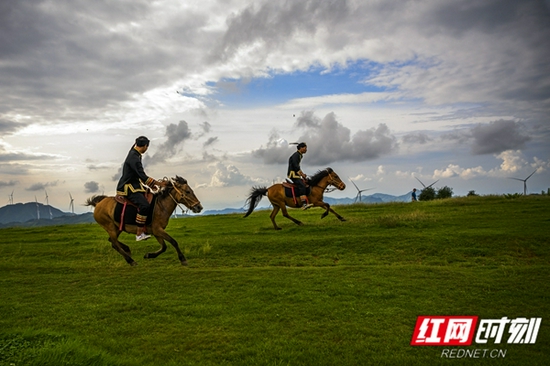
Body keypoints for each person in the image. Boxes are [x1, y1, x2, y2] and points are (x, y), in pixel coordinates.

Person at [116, 136, 163, 241]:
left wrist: (151, 185)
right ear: (145, 146)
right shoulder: (134, 157)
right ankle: (139, 233)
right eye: (147, 147)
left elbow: (138, 175)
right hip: (129, 187)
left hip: (136, 185)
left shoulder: (135, 154)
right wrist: (159, 184)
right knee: (144, 205)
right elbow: (141, 174)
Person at [287, 142, 313, 210]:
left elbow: (297, 167)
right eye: (305, 148)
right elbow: (296, 167)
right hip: (293, 174)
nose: (306, 149)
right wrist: (302, 174)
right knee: (302, 185)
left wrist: (302, 174)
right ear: (301, 148)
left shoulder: (299, 155)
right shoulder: (296, 155)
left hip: (296, 174)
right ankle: (304, 203)